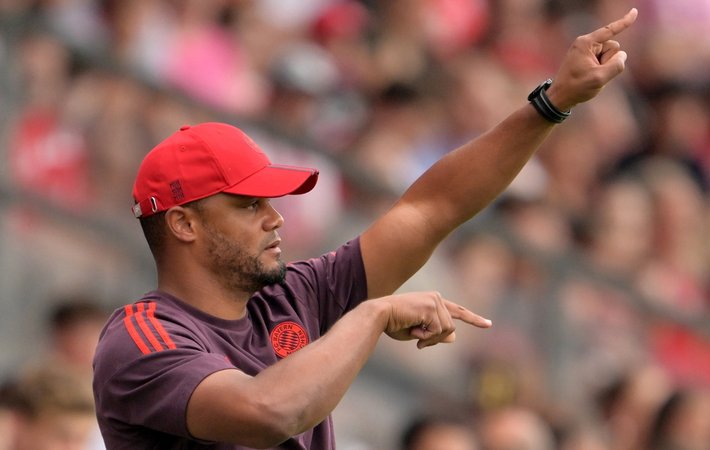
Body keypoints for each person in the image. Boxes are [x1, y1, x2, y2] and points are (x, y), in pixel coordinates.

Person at [92, 8, 639, 449]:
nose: (275, 216)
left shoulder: (293, 295)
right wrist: (372, 314)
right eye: (248, 204)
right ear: (184, 223)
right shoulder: (142, 336)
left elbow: (431, 208)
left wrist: (554, 101)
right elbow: (265, 412)